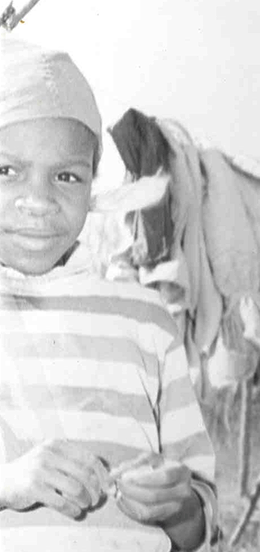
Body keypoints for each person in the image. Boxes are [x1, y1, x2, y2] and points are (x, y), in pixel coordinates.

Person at [0, 34, 219, 550]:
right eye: (6, 170)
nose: (38, 201)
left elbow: (198, 525)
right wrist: (8, 484)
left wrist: (178, 503)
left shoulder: (144, 319)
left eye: (66, 176)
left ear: (93, 185)